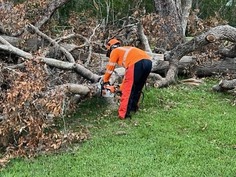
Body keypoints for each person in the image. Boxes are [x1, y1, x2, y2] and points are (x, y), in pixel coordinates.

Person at [102, 38, 152, 119]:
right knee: (137, 87)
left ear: (110, 48)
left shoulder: (115, 51)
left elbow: (110, 68)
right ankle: (133, 108)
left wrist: (105, 81)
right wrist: (117, 88)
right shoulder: (126, 50)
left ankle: (123, 114)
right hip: (148, 62)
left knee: (128, 90)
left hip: (136, 63)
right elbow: (127, 79)